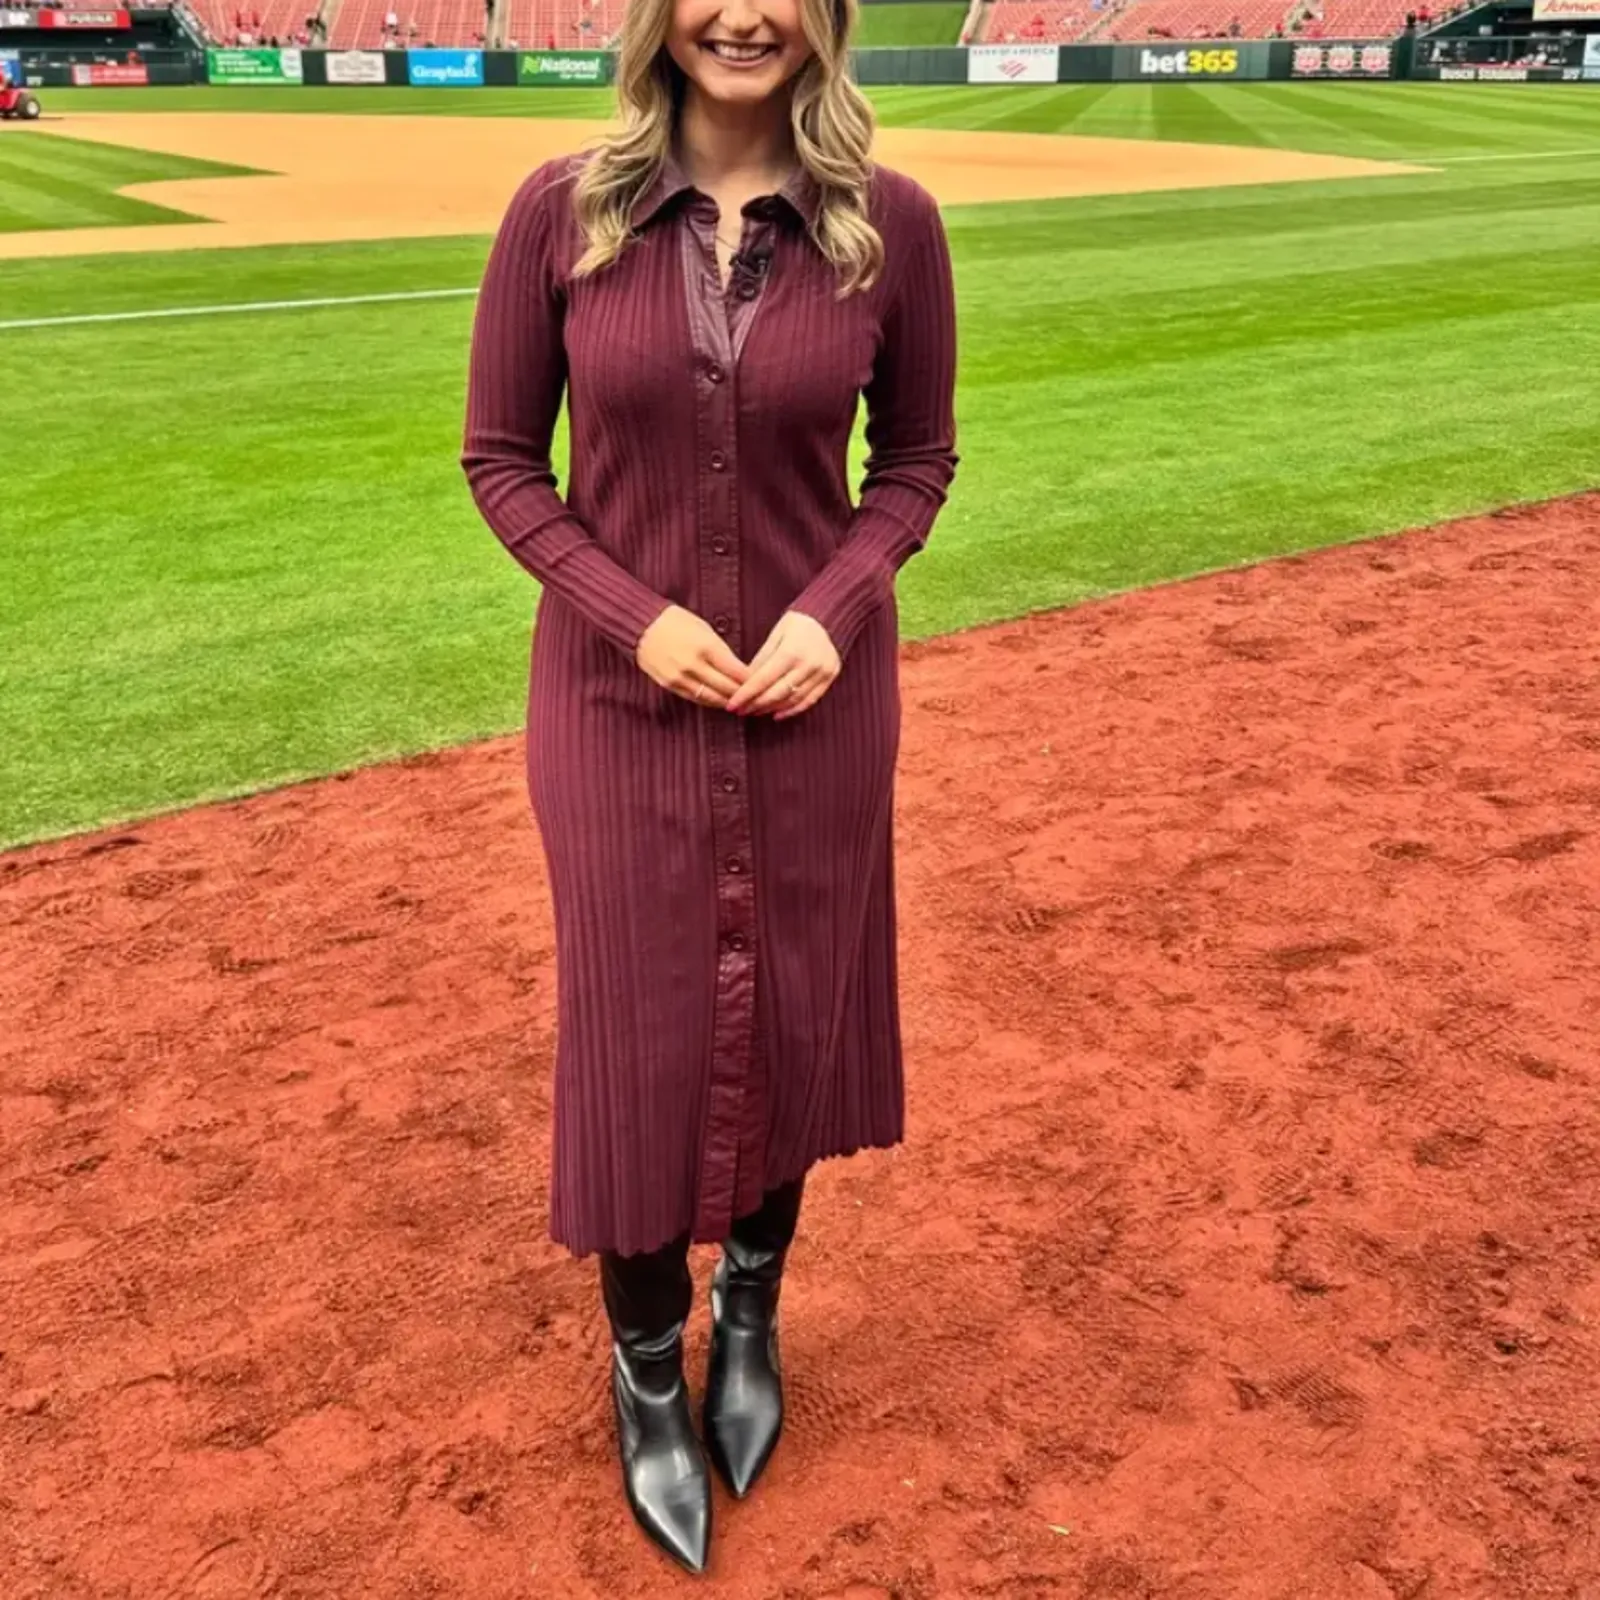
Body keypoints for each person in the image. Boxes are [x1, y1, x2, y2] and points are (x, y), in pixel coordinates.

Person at [461, 0, 957, 1575]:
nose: (741, 13)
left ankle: (752, 1312)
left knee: (795, 995)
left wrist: (833, 608)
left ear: (824, 20)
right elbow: (498, 460)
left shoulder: (891, 227)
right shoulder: (563, 208)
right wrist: (640, 615)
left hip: (819, 694)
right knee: (642, 1022)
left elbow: (918, 462)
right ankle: (644, 1362)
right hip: (618, 702)